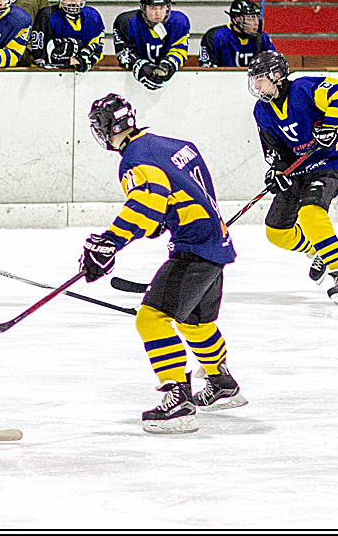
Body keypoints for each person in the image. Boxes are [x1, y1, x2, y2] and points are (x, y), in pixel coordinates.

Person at [80, 93, 245, 434]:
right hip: (215, 241)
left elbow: (146, 205)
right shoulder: (173, 144)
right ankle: (222, 383)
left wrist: (109, 242)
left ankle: (178, 398)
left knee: (152, 319)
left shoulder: (135, 158)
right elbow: (174, 196)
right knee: (196, 323)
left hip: (194, 248)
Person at [248, 50, 338, 305]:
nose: (256, 85)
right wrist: (277, 172)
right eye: (254, 79)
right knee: (276, 231)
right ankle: (318, 249)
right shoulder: (262, 111)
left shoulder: (304, 88)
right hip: (298, 171)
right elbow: (275, 150)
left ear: (277, 76)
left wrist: (331, 125)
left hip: (326, 164)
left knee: (311, 213)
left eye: (260, 78)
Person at [113, 0, 190, 91]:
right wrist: (141, 67)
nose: (158, 12)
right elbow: (125, 53)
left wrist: (169, 65)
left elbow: (180, 49)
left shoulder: (180, 22)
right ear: (143, 7)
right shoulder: (127, 22)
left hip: (171, 87)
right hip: (131, 85)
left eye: (162, 7)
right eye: (153, 8)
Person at [29, 0, 104, 72]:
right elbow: (38, 55)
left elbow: (97, 50)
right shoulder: (47, 16)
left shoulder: (93, 17)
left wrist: (81, 60)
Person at [199, 0, 275, 68]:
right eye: (250, 18)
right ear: (236, 19)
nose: (256, 23)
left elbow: (274, 64)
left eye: (256, 17)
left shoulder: (263, 38)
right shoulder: (215, 37)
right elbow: (207, 69)